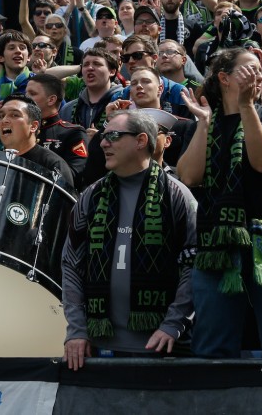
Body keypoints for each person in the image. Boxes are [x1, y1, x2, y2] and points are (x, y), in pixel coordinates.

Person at [177, 47, 262, 359]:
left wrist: (248, 108)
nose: (260, 74)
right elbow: (189, 177)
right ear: (224, 78)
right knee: (212, 347)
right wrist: (203, 124)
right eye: (251, 68)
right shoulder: (203, 124)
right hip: (217, 246)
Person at [62, 110, 196, 368]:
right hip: (97, 347)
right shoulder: (91, 196)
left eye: (113, 135)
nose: (102, 143)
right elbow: (71, 264)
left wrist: (173, 325)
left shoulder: (176, 195)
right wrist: (77, 330)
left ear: (141, 141)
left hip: (164, 347)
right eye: (103, 136)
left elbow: (193, 263)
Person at [0, 95, 74, 189]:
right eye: (1, 116)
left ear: (33, 126)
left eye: (15, 115)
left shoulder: (53, 165)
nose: (4, 120)